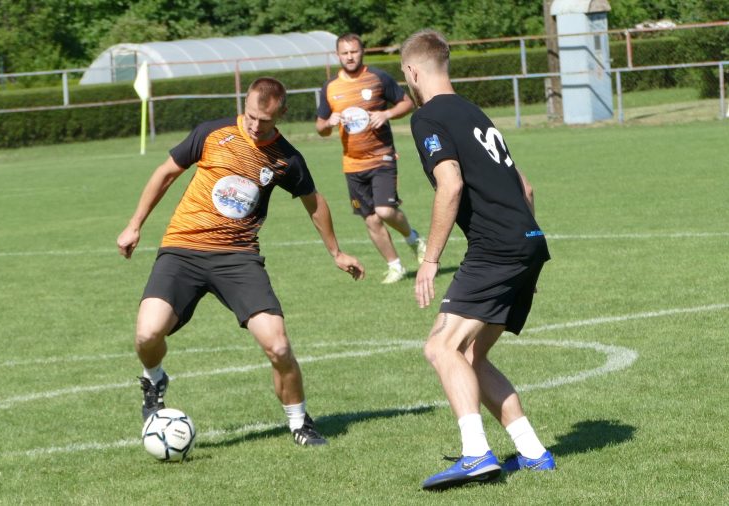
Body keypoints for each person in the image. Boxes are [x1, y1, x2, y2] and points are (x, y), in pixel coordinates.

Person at [117, 77, 365, 447]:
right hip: (183, 248)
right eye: (250, 116)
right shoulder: (212, 133)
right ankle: (154, 380)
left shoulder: (285, 158)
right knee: (147, 334)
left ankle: (300, 422)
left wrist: (337, 252)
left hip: (238, 258)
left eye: (264, 120)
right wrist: (135, 224)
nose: (255, 125)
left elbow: (314, 202)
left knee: (278, 346)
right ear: (244, 105)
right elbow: (166, 173)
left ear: (281, 114)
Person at [400, 30, 556, 490]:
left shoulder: (427, 117)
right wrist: (526, 254)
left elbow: (450, 184)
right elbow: (525, 187)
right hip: (526, 241)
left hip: (496, 248)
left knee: (440, 348)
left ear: (411, 72)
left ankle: (476, 454)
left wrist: (430, 259)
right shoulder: (474, 112)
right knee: (470, 354)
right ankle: (533, 453)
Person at [316, 33, 426, 284]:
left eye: (354, 51)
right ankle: (395, 266)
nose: (350, 57)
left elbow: (406, 103)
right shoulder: (330, 87)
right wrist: (328, 123)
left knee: (385, 210)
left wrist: (386, 114)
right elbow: (320, 127)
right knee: (371, 219)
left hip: (381, 157)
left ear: (362, 51)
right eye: (345, 53)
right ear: (337, 55)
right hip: (352, 164)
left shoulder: (378, 77)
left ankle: (414, 239)